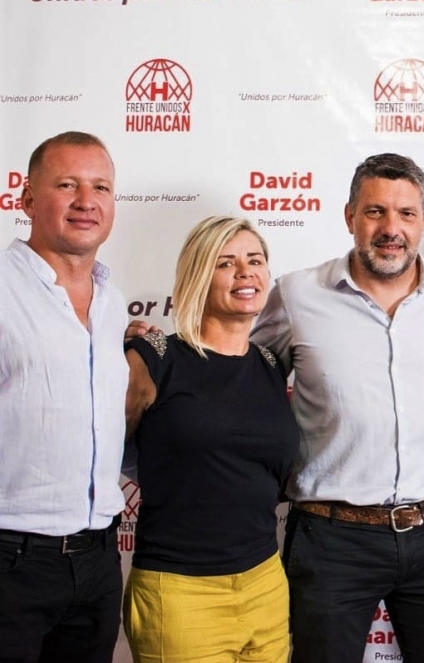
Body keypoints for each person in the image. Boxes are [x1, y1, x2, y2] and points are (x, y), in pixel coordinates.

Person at [249, 153, 424, 663]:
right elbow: (236, 374)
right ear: (349, 217)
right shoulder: (297, 295)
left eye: (406, 214)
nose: (391, 228)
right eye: (375, 212)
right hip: (331, 539)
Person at [122, 216, 300, 662]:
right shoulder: (155, 358)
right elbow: (101, 451)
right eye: (226, 262)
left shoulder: (270, 364)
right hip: (180, 594)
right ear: (200, 274)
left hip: (266, 583)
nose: (245, 272)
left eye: (254, 260)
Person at [0, 131, 127, 662]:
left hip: (98, 561)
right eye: (67, 184)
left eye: (100, 186)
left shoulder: (112, 299)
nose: (86, 201)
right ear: (27, 199)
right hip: (11, 560)